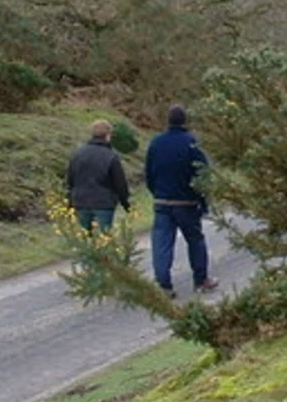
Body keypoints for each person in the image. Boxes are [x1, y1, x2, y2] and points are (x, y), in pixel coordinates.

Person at [145, 104, 218, 296]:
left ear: (167, 120)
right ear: (185, 121)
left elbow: (149, 174)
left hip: (162, 201)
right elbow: (203, 173)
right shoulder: (192, 143)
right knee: (195, 240)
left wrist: (157, 193)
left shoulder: (156, 143)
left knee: (161, 244)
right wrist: (202, 198)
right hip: (186, 202)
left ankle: (163, 285)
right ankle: (201, 280)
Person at [66, 119, 130, 232]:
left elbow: (70, 180)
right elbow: (119, 183)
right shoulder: (111, 156)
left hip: (80, 201)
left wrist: (70, 202)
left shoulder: (77, 154)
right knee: (104, 237)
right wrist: (125, 203)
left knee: (84, 238)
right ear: (108, 135)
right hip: (103, 202)